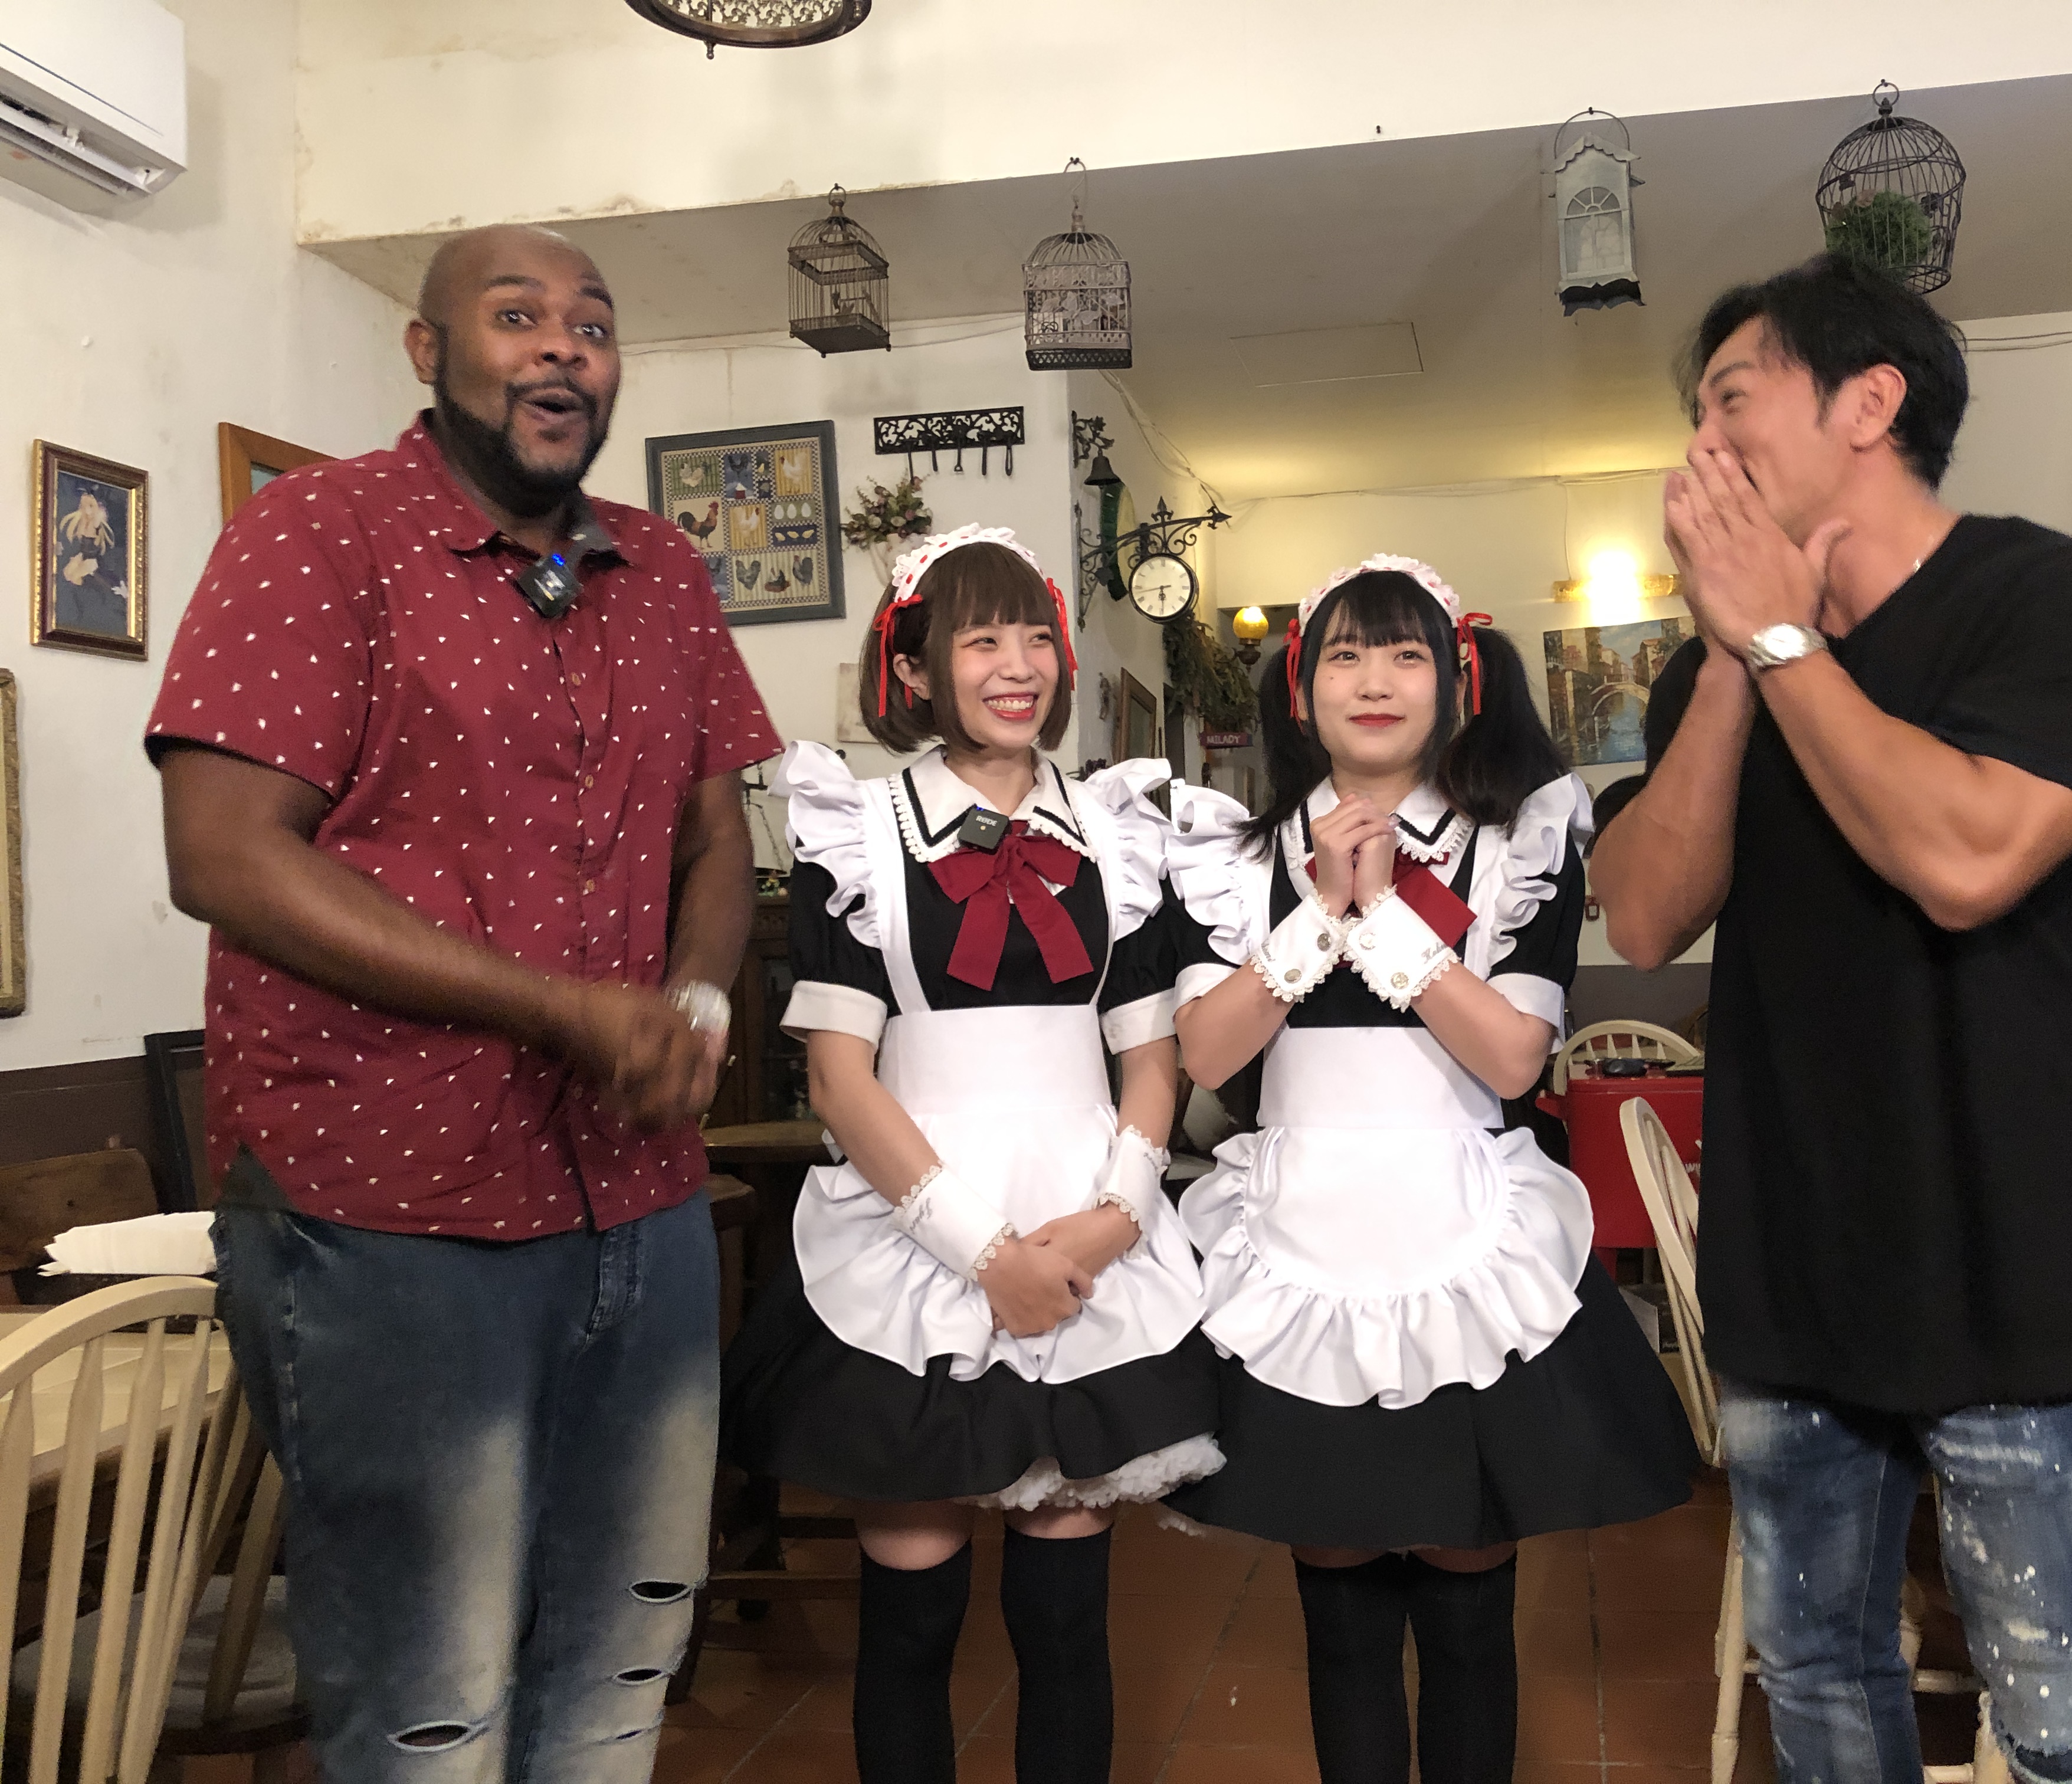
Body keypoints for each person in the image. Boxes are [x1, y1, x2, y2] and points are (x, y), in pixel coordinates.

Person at [147, 224, 783, 1783]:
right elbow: (223, 853)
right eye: (517, 317)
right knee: (433, 1706)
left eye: (594, 325)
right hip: (387, 1214)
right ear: (429, 353)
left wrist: (697, 1003)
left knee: (624, 1667)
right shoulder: (318, 533)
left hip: (641, 1199)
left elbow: (718, 839)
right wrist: (560, 1009)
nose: (564, 346)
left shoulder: (665, 571)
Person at [1589, 253, 2072, 1784]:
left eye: (1732, 399)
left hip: (2016, 1267)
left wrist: (1788, 647)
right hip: (1791, 1272)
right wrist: (1738, 656)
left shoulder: (2067, 600)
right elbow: (1642, 916)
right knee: (1820, 1689)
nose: (1702, 447)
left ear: (1870, 402)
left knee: (2062, 1721)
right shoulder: (1714, 671)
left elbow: (1968, 862)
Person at [1161, 556, 1698, 1784]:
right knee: (1338, 1587)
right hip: (1296, 1244)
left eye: (1406, 655)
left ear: (1457, 683)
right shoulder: (1232, 854)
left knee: (1468, 1582)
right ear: (1302, 690)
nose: (1375, 681)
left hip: (1467, 1237)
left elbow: (1512, 1058)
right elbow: (1207, 1052)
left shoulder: (1520, 844)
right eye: (1345, 655)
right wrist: (1319, 912)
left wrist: (1388, 913)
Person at [720, 524, 1220, 1784]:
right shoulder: (857, 829)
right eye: (981, 639)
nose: (1018, 665)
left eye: (1036, 636)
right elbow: (840, 1076)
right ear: (917, 668)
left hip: (1086, 1228)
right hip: (916, 1239)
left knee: (1067, 1626)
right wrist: (982, 1253)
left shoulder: (1118, 830)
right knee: (912, 1621)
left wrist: (1113, 1218)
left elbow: (1150, 1057)